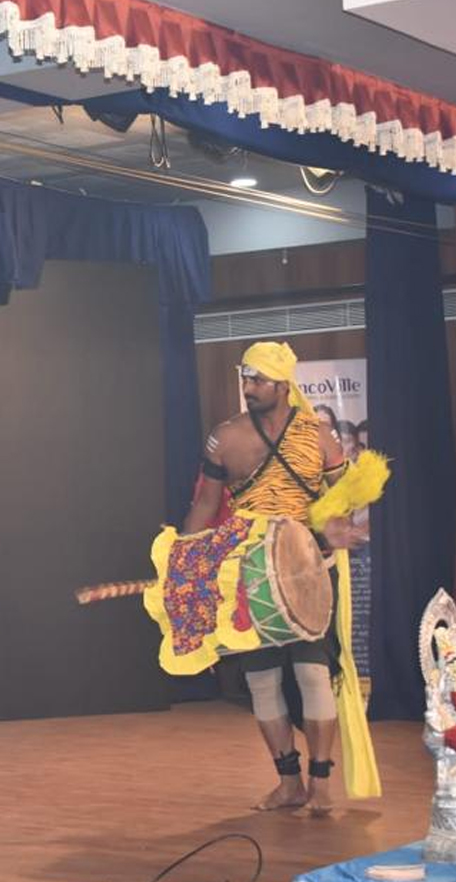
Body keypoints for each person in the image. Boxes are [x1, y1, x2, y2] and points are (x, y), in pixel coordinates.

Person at [182, 341, 378, 814]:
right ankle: (288, 782)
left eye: (258, 380)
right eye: (245, 378)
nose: (248, 387)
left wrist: (336, 523)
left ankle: (321, 783)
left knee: (313, 673)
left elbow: (345, 497)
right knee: (263, 681)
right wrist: (184, 561)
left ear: (283, 384)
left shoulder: (318, 437)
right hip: (251, 571)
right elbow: (206, 505)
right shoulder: (225, 437)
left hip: (309, 567)